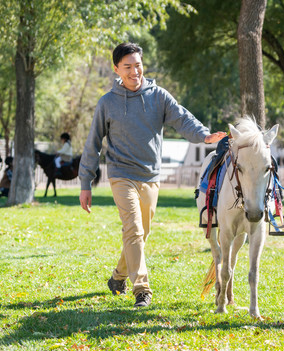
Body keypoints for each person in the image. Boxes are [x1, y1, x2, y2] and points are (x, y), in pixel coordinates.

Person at [78, 43, 227, 308]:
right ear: (117, 69)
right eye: (128, 67)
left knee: (140, 233)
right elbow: (92, 143)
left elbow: (182, 119)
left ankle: (117, 277)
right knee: (133, 229)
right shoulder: (107, 103)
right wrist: (85, 182)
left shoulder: (158, 96)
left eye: (138, 65)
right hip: (120, 174)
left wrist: (205, 135)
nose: (135, 71)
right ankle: (142, 289)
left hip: (150, 176)